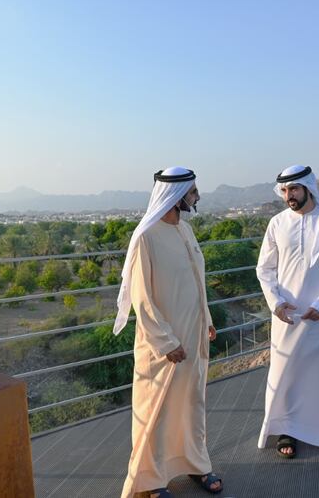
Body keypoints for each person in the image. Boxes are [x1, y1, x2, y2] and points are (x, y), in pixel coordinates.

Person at [114, 166, 223, 498]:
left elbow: (195, 282)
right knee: (156, 412)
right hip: (162, 346)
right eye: (192, 192)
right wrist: (166, 342)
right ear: (175, 197)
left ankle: (195, 463)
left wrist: (206, 320)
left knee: (191, 404)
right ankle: (150, 482)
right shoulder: (146, 237)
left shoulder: (186, 231)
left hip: (193, 337)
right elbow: (142, 299)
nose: (197, 196)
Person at [255, 164, 319, 461]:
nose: (289, 195)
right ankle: (288, 430)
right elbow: (265, 269)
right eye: (285, 190)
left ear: (308, 188)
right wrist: (275, 302)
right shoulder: (276, 223)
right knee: (287, 373)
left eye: (294, 189)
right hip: (288, 316)